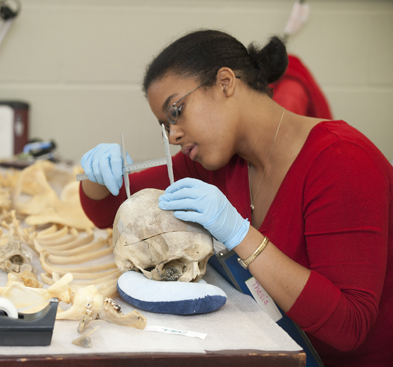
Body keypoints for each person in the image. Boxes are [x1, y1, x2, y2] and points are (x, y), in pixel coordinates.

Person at [78, 29, 393, 367]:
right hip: (276, 349)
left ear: (225, 83)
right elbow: (106, 208)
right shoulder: (214, 162)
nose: (173, 136)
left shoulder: (342, 160)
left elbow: (348, 327)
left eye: (176, 112)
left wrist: (241, 235)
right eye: (164, 126)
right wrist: (96, 177)